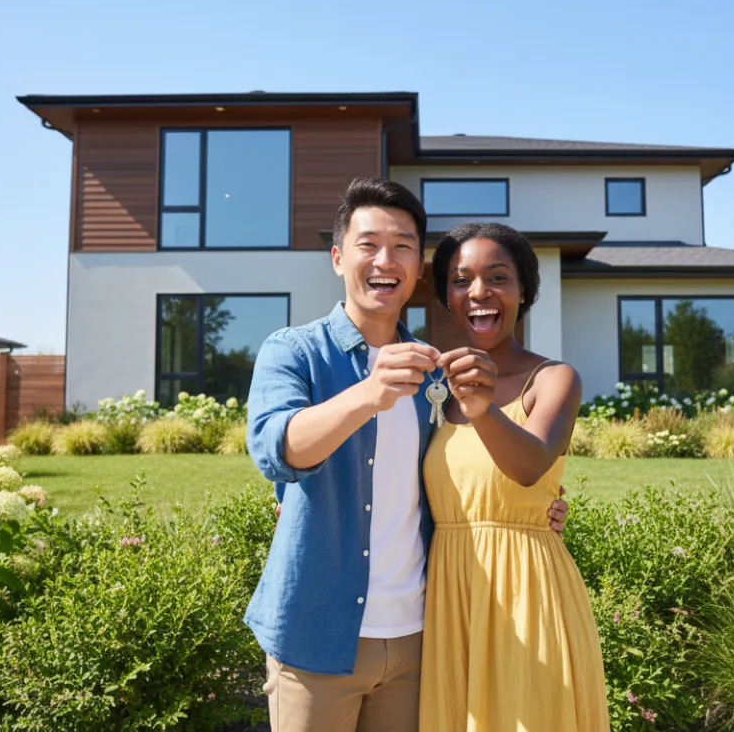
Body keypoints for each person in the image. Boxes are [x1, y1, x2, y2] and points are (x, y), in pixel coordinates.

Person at [245, 177, 569, 732]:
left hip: (421, 639)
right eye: (368, 243)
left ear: (419, 267)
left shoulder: (434, 371)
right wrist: (368, 394)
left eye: (402, 246)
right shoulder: (292, 350)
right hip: (317, 635)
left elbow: (457, 470)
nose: (383, 259)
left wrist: (541, 506)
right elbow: (277, 450)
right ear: (337, 256)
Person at [420, 221, 610, 731]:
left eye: (497, 277)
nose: (478, 292)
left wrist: (482, 409)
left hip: (525, 593)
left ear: (524, 290)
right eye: (461, 280)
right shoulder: (432, 387)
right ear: (446, 296)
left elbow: (528, 466)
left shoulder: (553, 379)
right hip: (449, 597)